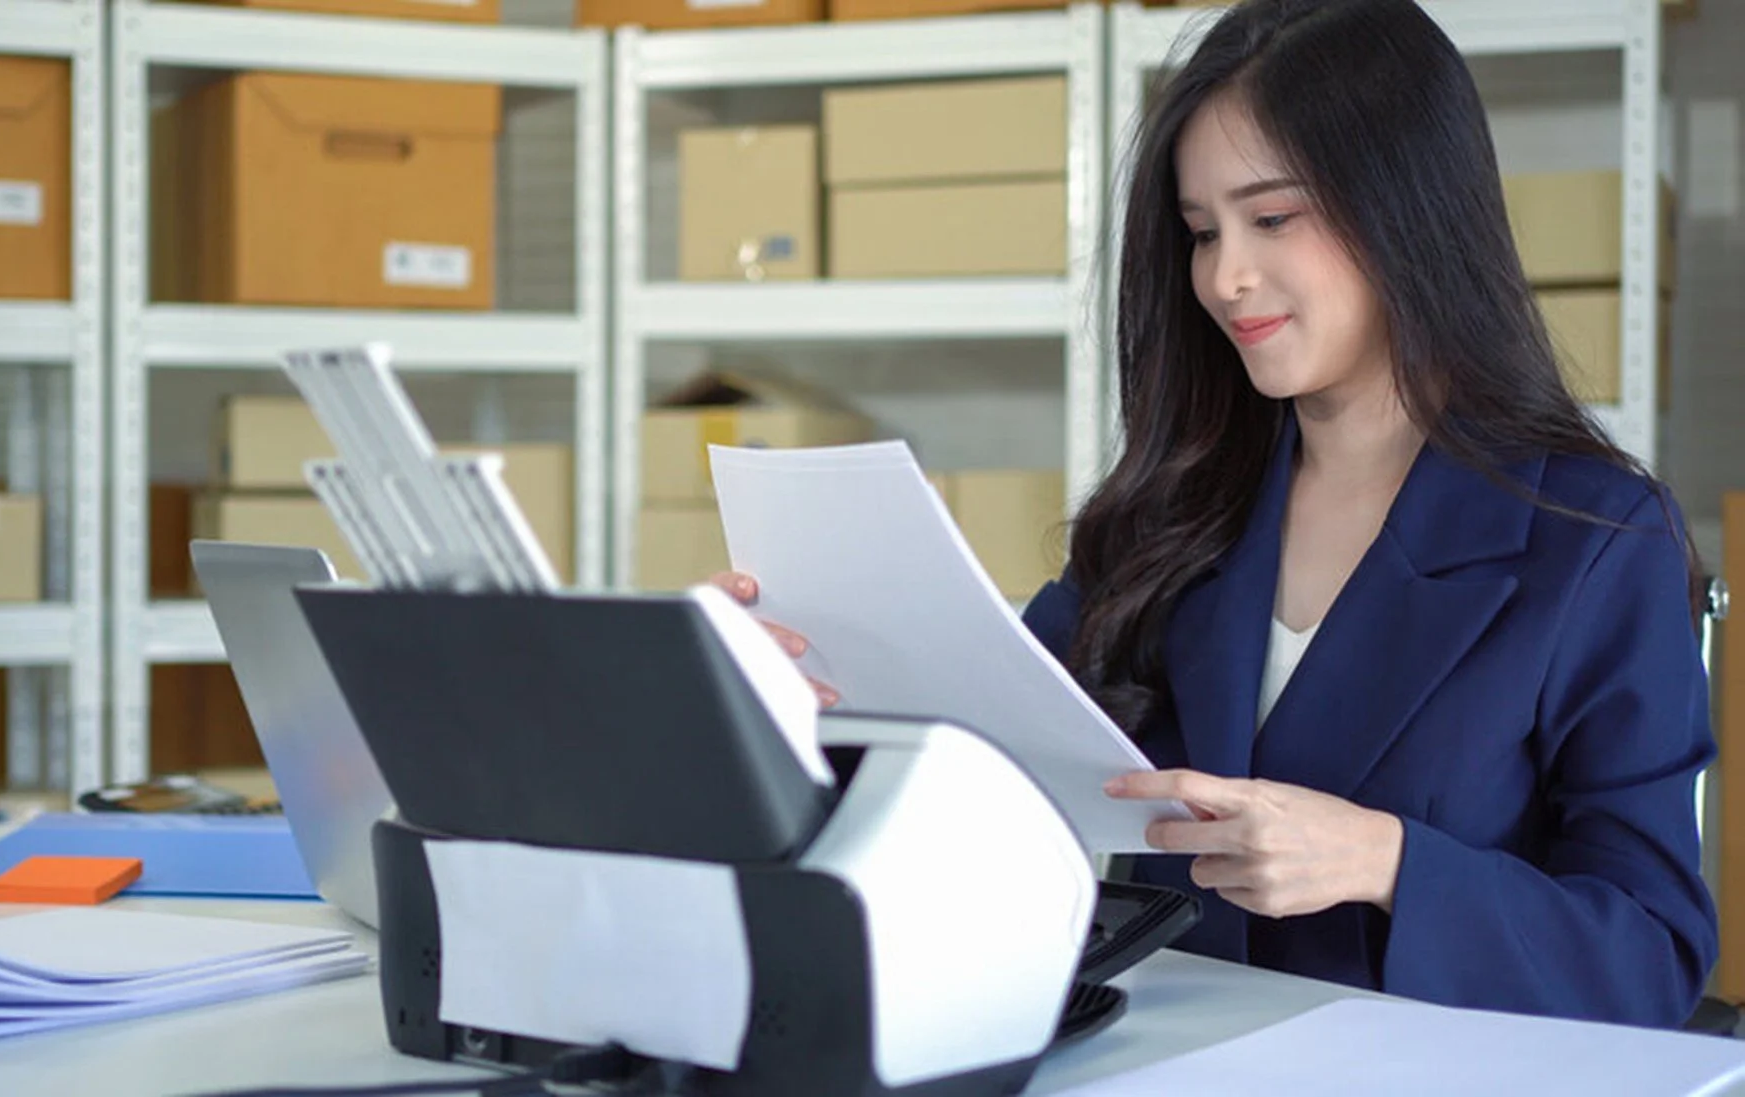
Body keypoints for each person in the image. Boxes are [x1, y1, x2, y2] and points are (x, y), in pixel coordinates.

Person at [717, 0, 1717, 1028]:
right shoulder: (1172, 511)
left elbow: (1648, 956)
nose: (1226, 277)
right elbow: (979, 773)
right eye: (1202, 232)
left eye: (1272, 218)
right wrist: (796, 685)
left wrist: (1389, 862)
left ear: (1408, 208)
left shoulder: (1594, 539)